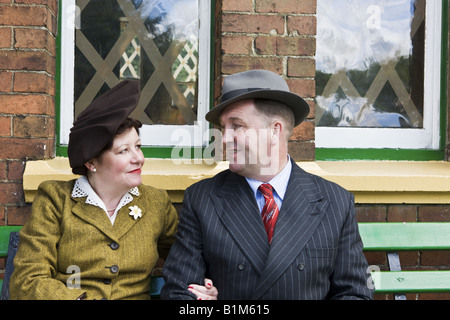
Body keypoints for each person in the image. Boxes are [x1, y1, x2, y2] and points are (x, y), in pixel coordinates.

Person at [161, 70, 373, 300]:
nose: (223, 139)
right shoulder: (202, 199)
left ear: (275, 130)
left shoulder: (335, 202)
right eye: (223, 128)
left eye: (237, 126)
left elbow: (354, 293)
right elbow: (179, 292)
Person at [9, 80, 217, 300]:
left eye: (137, 146)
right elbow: (27, 280)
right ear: (91, 162)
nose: (139, 158)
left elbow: (186, 258)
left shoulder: (155, 202)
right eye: (123, 151)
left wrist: (203, 285)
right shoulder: (56, 200)